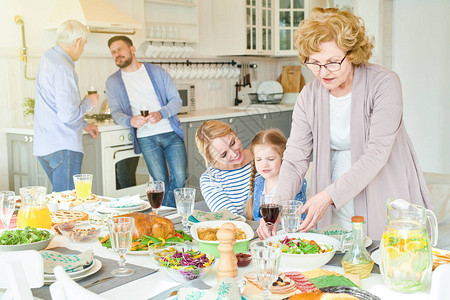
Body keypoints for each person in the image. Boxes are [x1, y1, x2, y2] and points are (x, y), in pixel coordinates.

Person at [258, 8, 432, 240]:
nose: (323, 72)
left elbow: (376, 154)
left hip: (380, 187)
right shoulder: (309, 95)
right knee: (338, 258)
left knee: (386, 257)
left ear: (352, 53)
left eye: (332, 62)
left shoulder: (384, 84)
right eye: (314, 63)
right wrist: (276, 206)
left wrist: (327, 196)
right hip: (334, 195)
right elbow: (295, 156)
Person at [105, 36, 186, 208]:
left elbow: (176, 101)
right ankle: (167, 217)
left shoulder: (157, 72)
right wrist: (130, 120)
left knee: (179, 177)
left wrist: (161, 113)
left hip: (170, 132)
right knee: (160, 182)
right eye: (113, 52)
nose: (117, 54)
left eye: (120, 49)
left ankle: (168, 214)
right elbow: (116, 113)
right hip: (146, 137)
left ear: (133, 49)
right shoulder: (113, 82)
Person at [33, 20, 99, 192]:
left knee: (60, 201)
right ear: (77, 42)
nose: (82, 49)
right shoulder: (63, 68)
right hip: (63, 146)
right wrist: (89, 102)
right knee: (68, 203)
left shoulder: (48, 57)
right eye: (83, 44)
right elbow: (68, 115)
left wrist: (84, 124)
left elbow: (55, 104)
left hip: (45, 146)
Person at [245, 129, 307, 225]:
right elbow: (257, 217)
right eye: (259, 159)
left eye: (270, 159)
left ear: (283, 158)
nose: (264, 164)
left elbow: (298, 219)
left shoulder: (295, 184)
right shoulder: (258, 183)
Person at [195, 120, 253, 215]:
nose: (234, 154)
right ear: (211, 158)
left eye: (233, 143)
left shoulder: (263, 157)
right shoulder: (210, 180)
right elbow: (232, 220)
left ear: (234, 132)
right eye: (224, 154)